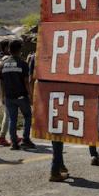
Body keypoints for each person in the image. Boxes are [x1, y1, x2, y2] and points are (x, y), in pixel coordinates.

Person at [27, 52, 68, 182]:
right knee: (57, 134)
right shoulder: (61, 53)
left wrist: (34, 99)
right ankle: (55, 170)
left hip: (45, 99)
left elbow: (31, 80)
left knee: (56, 134)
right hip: (58, 98)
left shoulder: (36, 56)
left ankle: (60, 164)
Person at [0, 40, 35, 150]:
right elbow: (26, 82)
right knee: (28, 116)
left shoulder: (3, 64)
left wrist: (2, 96)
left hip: (9, 97)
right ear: (20, 50)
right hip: (21, 96)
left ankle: (14, 143)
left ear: (9, 50)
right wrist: (31, 95)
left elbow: (1, 82)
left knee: (12, 119)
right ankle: (25, 139)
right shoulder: (23, 64)